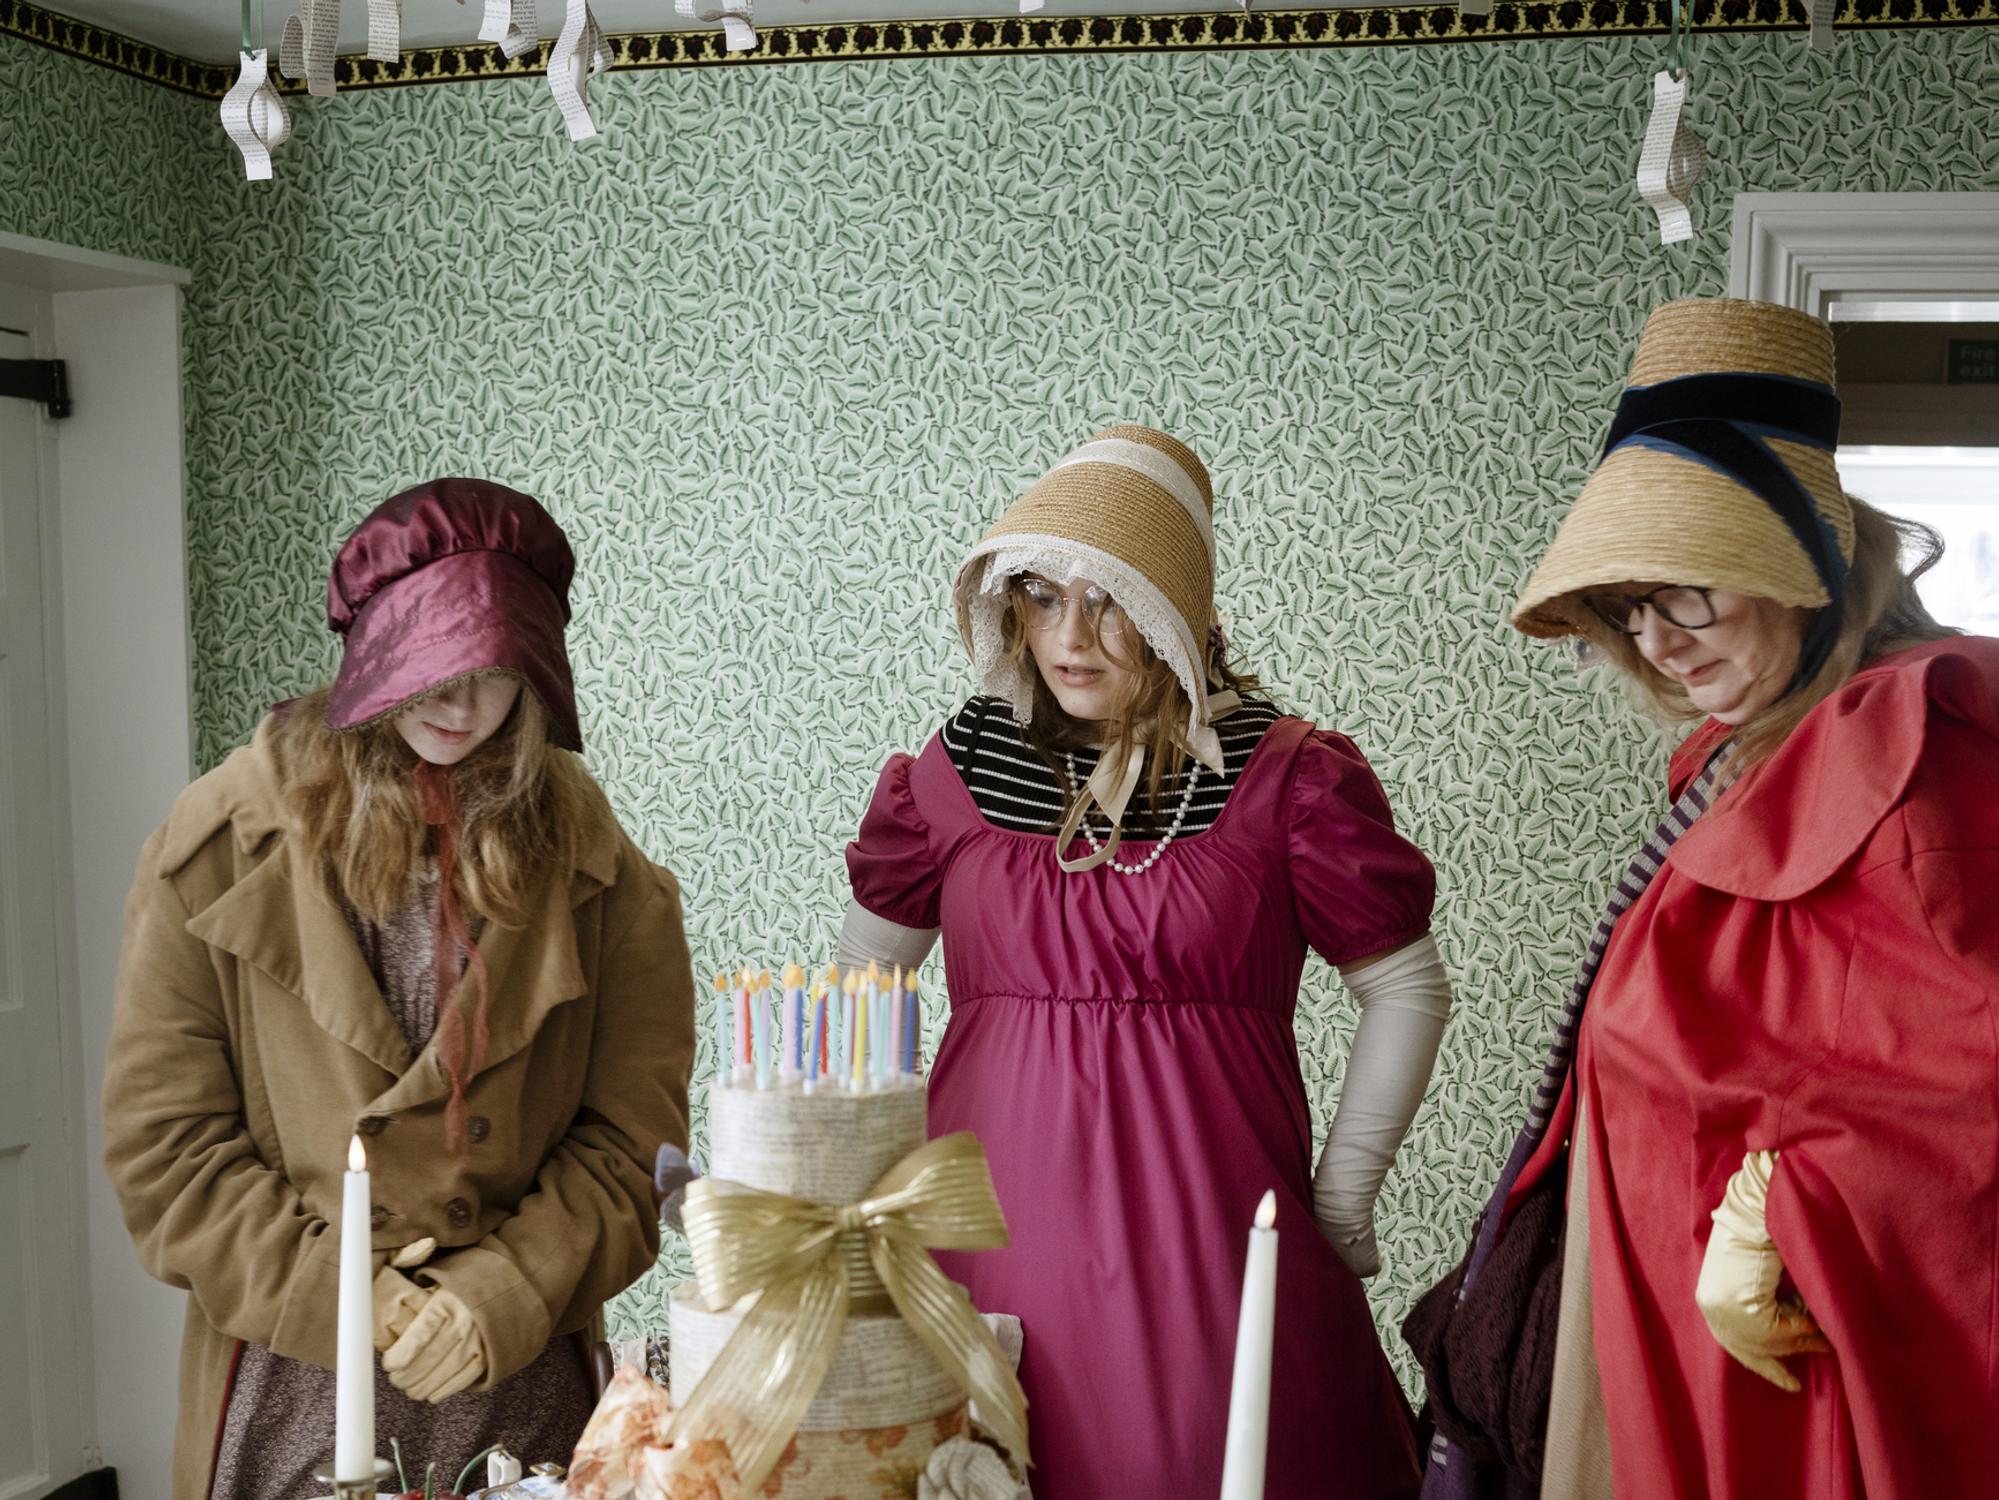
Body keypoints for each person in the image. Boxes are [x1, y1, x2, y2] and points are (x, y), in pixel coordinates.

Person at [1424, 297, 1998, 1498]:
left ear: (1806, 564)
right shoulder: (1744, 758)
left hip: (1789, 1363)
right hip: (1662, 1331)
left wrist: (1781, 1207)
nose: (1659, 642)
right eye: (1629, 608)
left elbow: (1962, 1084)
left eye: (1686, 588)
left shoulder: (1914, 749)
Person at [841, 425, 1453, 1498]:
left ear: (1178, 611)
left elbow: (1405, 988)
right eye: (1041, 596)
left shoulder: (1290, 778)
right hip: (977, 1248)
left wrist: (1341, 1202)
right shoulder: (956, 768)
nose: (1069, 636)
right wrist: (850, 1197)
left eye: (1111, 601)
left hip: (1207, 1260)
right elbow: (860, 989)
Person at [103, 478, 696, 1500]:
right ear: (373, 649)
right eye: (434, 666)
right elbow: (167, 1152)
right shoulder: (214, 849)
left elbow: (629, 1150)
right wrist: (351, 1297)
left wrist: (499, 1294)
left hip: (517, 1379)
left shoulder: (608, 879)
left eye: (495, 672)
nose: (460, 706)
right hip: (289, 1380)